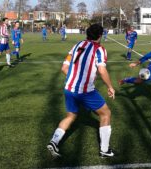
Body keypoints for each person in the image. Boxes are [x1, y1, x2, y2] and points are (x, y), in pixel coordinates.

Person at [47, 24, 116, 158]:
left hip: (68, 88)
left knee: (71, 116)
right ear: (100, 36)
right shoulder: (99, 49)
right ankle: (105, 150)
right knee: (106, 113)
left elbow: (63, 68)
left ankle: (54, 141)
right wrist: (110, 87)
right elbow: (102, 70)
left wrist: (74, 79)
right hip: (86, 91)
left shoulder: (77, 45)